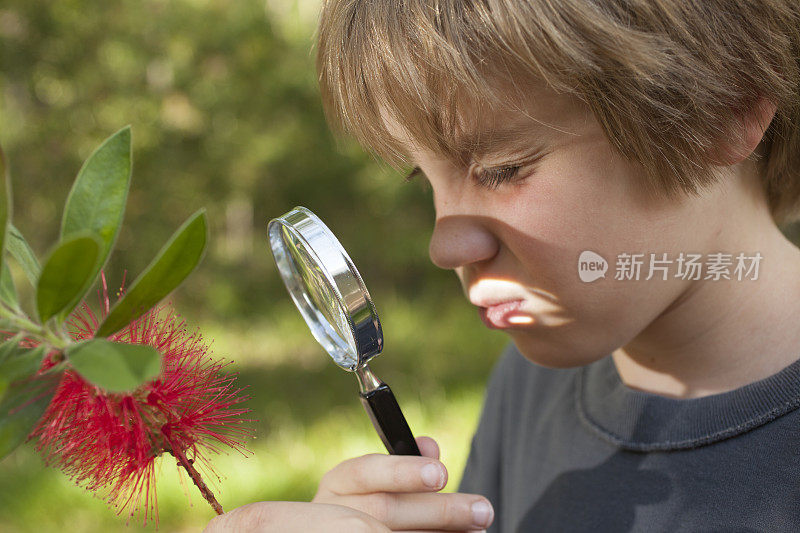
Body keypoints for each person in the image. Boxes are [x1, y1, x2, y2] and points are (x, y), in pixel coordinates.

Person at [206, 1, 800, 531]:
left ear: (723, 111)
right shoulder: (530, 383)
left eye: (503, 169)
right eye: (424, 180)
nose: (444, 247)